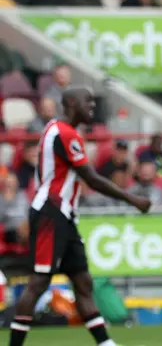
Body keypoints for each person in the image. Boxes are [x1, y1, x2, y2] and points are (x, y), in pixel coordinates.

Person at [8, 87, 151, 346]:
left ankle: (106, 344)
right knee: (39, 282)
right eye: (88, 102)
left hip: (64, 214)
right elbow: (91, 178)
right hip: (51, 213)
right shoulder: (65, 133)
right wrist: (133, 199)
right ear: (72, 103)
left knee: (82, 280)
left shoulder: (57, 129)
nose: (92, 107)